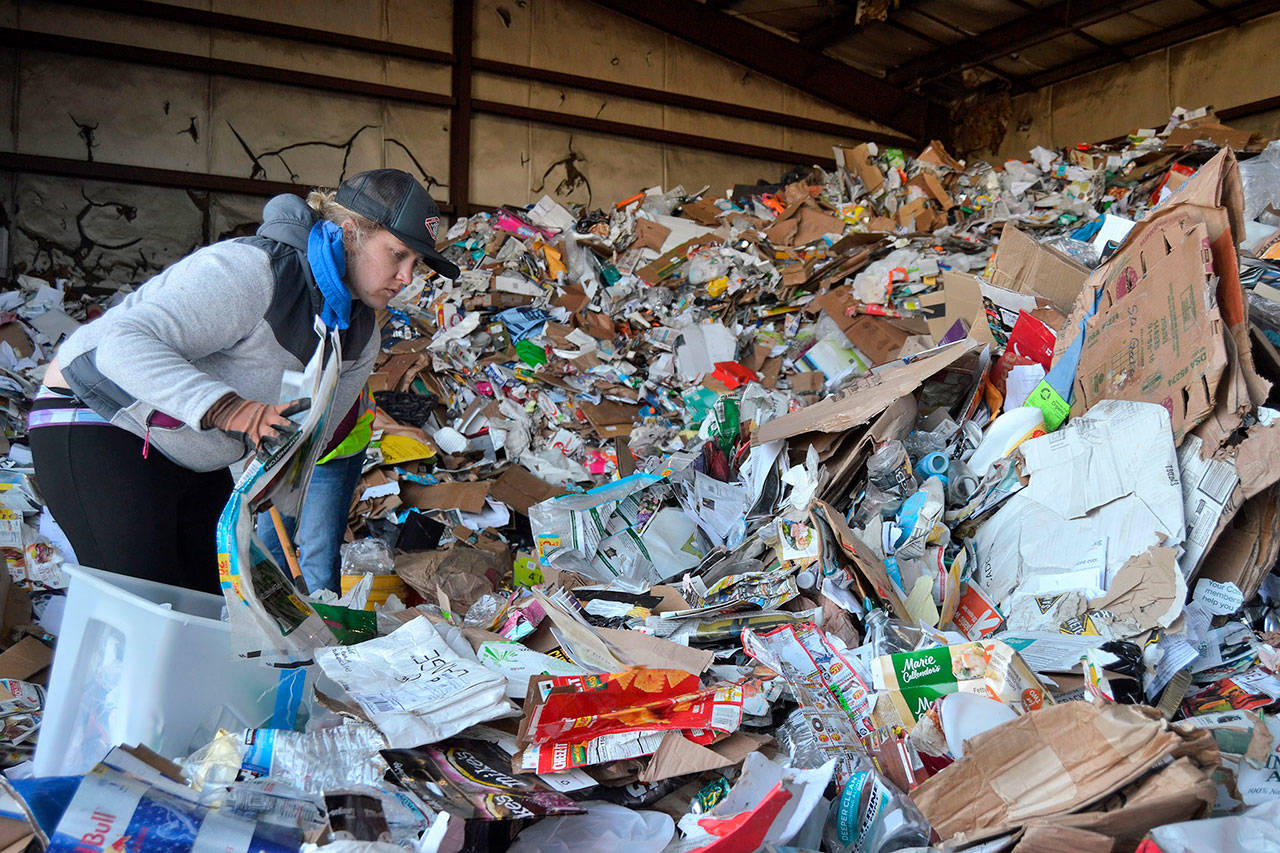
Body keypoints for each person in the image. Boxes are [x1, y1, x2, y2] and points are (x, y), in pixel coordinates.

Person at [30, 169, 458, 594]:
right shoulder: (256, 269)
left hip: (191, 453)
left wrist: (267, 491)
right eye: (397, 254)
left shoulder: (361, 335)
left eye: (415, 263)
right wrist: (231, 409)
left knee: (216, 605)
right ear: (349, 232)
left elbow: (308, 436)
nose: (407, 278)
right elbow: (121, 345)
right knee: (147, 599)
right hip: (98, 414)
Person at [255, 385, 375, 595]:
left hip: (334, 450)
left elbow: (338, 417)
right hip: (281, 450)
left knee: (318, 555)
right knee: (268, 548)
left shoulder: (339, 359)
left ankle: (322, 623)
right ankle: (277, 621)